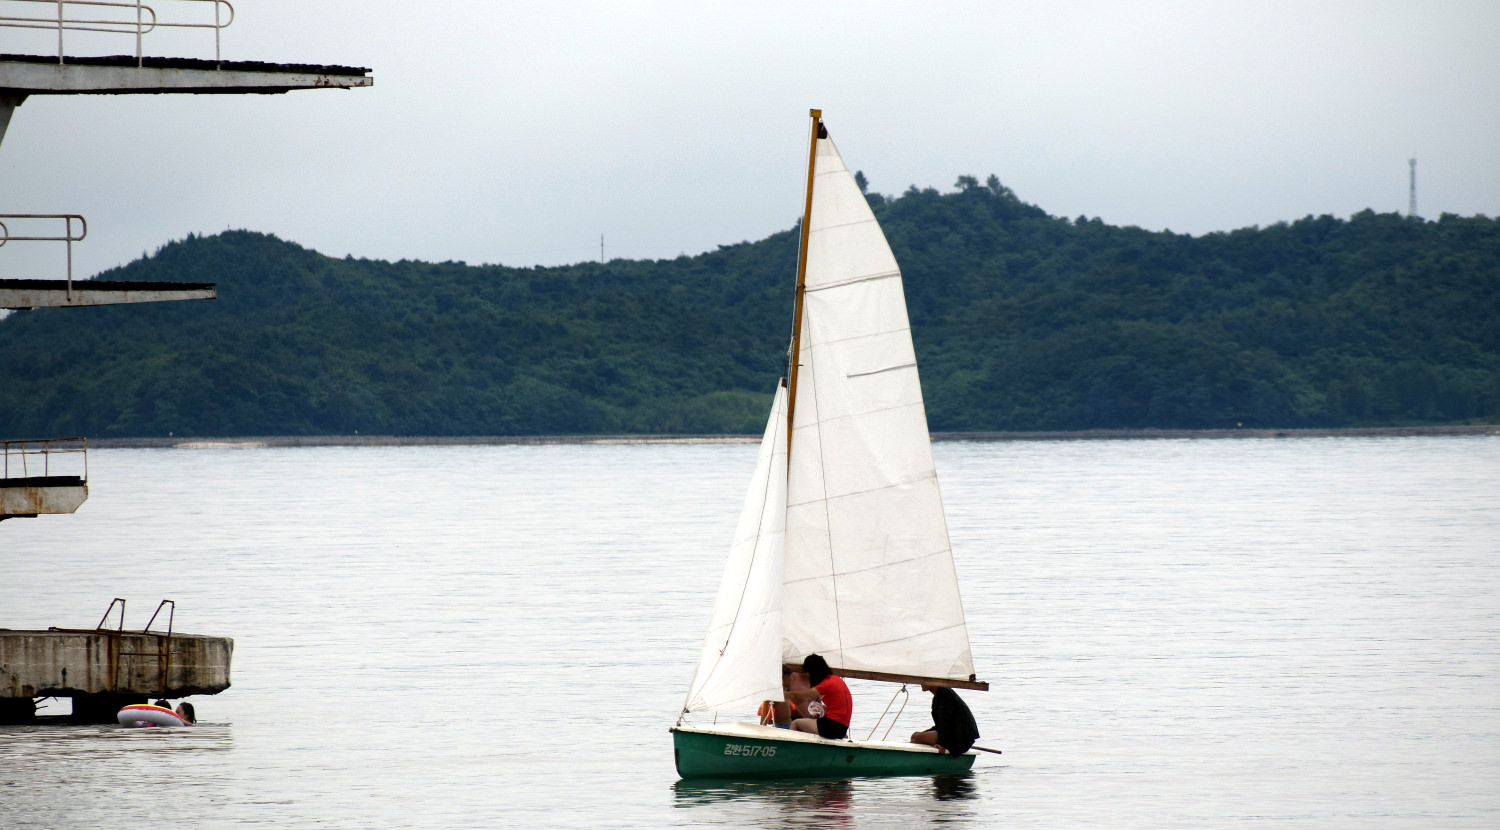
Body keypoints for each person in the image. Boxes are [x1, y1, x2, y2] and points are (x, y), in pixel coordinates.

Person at [787, 654, 851, 740]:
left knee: (796, 724)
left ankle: (791, 750)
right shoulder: (836, 679)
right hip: (842, 727)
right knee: (809, 723)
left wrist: (783, 694)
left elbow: (801, 695)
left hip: (831, 726)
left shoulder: (825, 684)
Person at [910, 685, 978, 755]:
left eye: (923, 680)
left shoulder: (944, 692)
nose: (921, 683)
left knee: (917, 738)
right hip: (951, 733)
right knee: (914, 736)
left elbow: (945, 721)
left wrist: (941, 743)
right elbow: (940, 724)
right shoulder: (937, 696)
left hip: (960, 738)